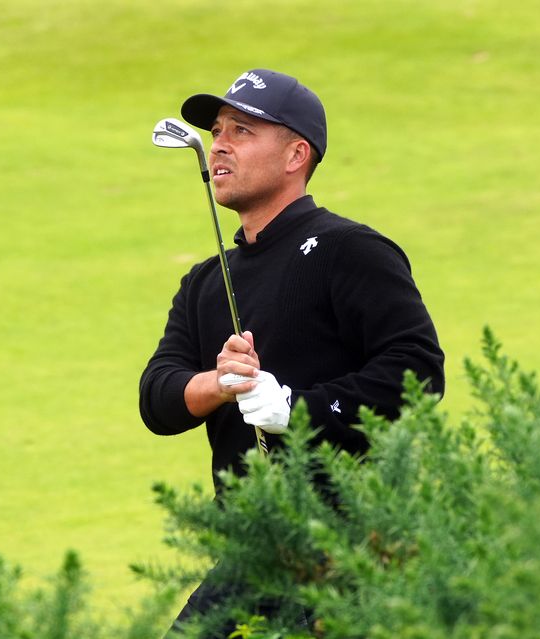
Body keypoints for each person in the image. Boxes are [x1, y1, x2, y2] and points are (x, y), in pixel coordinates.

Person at [139, 68, 445, 634]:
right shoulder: (208, 281)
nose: (219, 143)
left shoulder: (350, 250)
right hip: (253, 551)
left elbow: (418, 374)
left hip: (354, 547)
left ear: (295, 155)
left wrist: (295, 410)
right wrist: (219, 383)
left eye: (242, 130)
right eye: (216, 131)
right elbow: (157, 399)